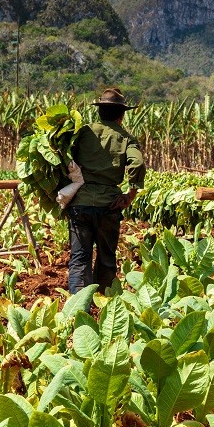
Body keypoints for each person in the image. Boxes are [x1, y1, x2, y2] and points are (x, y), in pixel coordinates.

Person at [67, 87, 146, 295]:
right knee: (106, 259)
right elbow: (137, 164)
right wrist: (131, 194)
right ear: (121, 114)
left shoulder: (83, 132)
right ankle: (103, 307)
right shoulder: (126, 138)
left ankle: (79, 309)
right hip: (108, 206)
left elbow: (65, 159)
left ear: (99, 111)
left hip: (80, 203)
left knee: (79, 258)